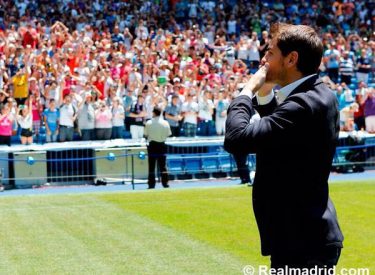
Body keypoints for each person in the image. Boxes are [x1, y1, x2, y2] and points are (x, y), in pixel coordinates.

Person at [224, 23, 343, 269]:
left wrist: (247, 91)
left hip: (303, 242)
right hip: (301, 237)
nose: (264, 60)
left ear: (291, 59)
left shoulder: (303, 105)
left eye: (270, 53)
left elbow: (237, 139)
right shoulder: (317, 95)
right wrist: (266, 91)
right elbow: (279, 134)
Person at [144, 106, 172, 189]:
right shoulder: (165, 123)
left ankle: (151, 184)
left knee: (151, 166)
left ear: (153, 113)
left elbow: (145, 134)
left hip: (152, 145)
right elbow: (168, 134)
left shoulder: (148, 123)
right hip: (162, 145)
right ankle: (165, 183)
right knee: (163, 166)